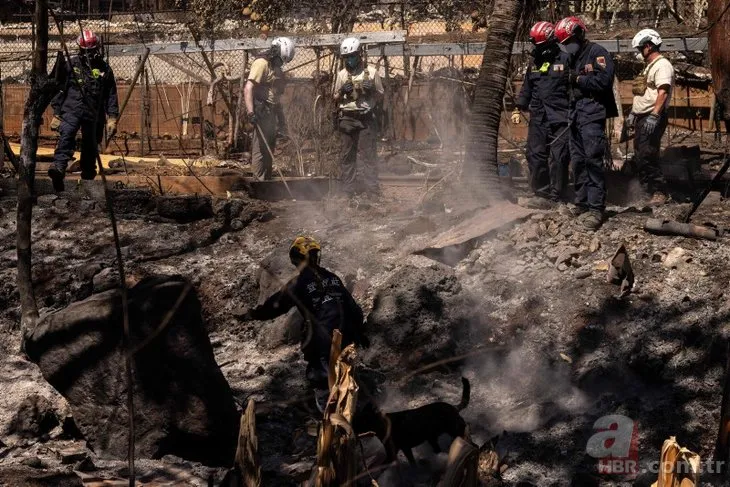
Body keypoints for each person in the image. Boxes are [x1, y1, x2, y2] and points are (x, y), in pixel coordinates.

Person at [239, 236, 367, 406]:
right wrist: (360, 334)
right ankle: (355, 410)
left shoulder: (299, 283)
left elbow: (276, 305)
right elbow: (354, 309)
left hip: (322, 342)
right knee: (347, 377)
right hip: (347, 337)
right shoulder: (333, 278)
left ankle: (331, 418)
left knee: (324, 384)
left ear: (295, 259)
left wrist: (252, 314)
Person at [555, 16, 618, 230]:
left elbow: (604, 81)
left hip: (592, 113)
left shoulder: (598, 53)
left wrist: (578, 80)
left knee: (592, 161)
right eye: (563, 44)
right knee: (578, 161)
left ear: (580, 34)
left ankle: (595, 209)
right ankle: (581, 203)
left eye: (568, 42)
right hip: (576, 114)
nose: (566, 47)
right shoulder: (573, 58)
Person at [48, 30, 119, 192]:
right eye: (85, 51)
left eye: (92, 51)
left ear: (97, 49)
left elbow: (111, 94)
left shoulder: (104, 69)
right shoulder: (70, 66)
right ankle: (58, 168)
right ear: (80, 49)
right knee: (67, 135)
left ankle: (87, 175)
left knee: (91, 144)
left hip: (94, 114)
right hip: (71, 110)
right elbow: (60, 89)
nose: (89, 54)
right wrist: (57, 113)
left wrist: (112, 117)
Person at [514, 21, 571, 207]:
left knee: (559, 157)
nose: (537, 50)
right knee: (535, 154)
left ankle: (557, 196)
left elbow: (575, 88)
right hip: (539, 116)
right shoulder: (535, 62)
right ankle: (542, 194)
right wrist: (518, 107)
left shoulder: (566, 59)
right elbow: (527, 87)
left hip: (561, 116)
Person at [626, 28, 674, 205]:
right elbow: (644, 93)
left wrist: (654, 115)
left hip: (651, 117)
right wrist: (633, 112)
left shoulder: (662, 65)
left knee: (648, 155)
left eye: (641, 48)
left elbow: (663, 92)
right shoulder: (649, 67)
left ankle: (660, 192)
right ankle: (647, 193)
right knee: (640, 155)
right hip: (642, 117)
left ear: (649, 46)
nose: (640, 52)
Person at [333, 37, 384, 202]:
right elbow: (334, 98)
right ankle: (348, 191)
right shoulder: (341, 75)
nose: (349, 60)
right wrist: (341, 91)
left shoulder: (372, 73)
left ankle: (373, 192)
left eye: (352, 56)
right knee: (348, 156)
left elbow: (381, 96)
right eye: (346, 57)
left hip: (365, 118)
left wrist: (371, 91)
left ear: (359, 55)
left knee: (368, 155)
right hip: (347, 119)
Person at [244, 37, 295, 180]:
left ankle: (266, 181)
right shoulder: (261, 64)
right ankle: (258, 182)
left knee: (269, 148)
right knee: (260, 149)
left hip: (271, 111)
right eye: (281, 60)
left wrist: (281, 118)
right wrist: (250, 113)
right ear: (275, 52)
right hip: (260, 110)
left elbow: (276, 96)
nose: (281, 64)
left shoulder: (276, 68)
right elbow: (248, 88)